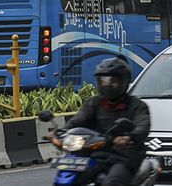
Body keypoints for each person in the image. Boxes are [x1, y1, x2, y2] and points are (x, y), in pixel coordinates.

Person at [62, 58, 151, 186]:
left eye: (113, 81)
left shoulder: (137, 106)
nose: (107, 85)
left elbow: (142, 126)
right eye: (103, 81)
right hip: (95, 154)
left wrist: (129, 137)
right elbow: (78, 120)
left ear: (124, 82)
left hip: (123, 157)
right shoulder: (94, 103)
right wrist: (61, 132)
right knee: (69, 177)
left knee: (112, 182)